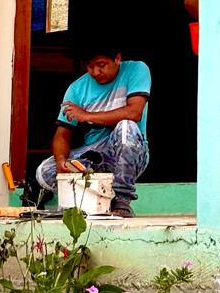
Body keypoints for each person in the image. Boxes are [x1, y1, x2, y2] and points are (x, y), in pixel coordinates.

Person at [36, 39, 150, 218]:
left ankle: (122, 200)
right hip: (94, 158)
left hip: (130, 153)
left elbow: (134, 112)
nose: (95, 72)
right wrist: (61, 161)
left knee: (126, 126)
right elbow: (62, 135)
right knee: (44, 172)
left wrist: (87, 116)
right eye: (90, 67)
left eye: (101, 65)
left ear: (117, 58)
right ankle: (90, 196)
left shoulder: (137, 69)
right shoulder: (76, 88)